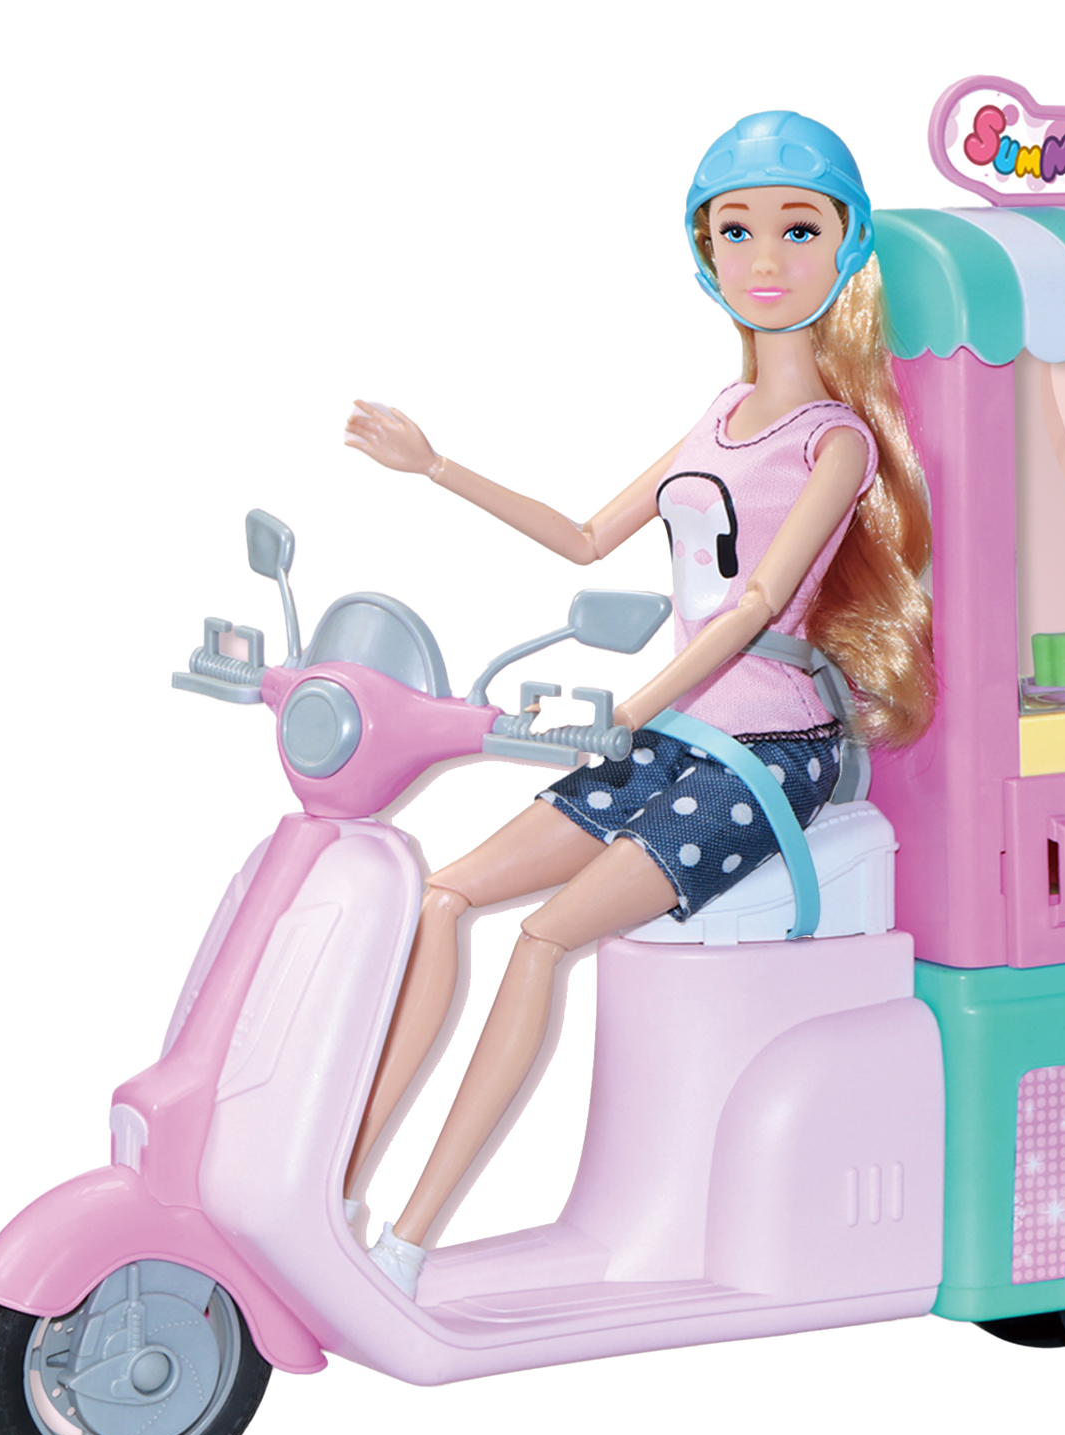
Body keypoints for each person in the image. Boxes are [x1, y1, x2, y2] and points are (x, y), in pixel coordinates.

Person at [340, 111, 933, 1298]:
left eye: (797, 230)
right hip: (670, 735)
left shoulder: (834, 446)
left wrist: (630, 706)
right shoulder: (713, 418)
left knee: (542, 937)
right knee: (443, 896)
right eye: (736, 231)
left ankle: (407, 1244)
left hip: (765, 753)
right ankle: (339, 1192)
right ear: (704, 253)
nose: (765, 258)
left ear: (847, 246)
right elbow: (581, 536)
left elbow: (754, 606)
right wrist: (435, 466)